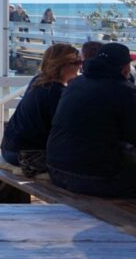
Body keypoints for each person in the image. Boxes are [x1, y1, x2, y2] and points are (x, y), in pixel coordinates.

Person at [46, 42, 136, 197]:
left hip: (55, 170)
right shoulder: (125, 92)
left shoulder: (75, 84)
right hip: (94, 179)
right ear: (125, 68)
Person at [0, 44, 81, 168]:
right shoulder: (56, 92)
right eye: (77, 62)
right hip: (27, 155)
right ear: (63, 65)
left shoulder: (38, 81)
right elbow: (64, 131)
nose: (80, 66)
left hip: (8, 148)